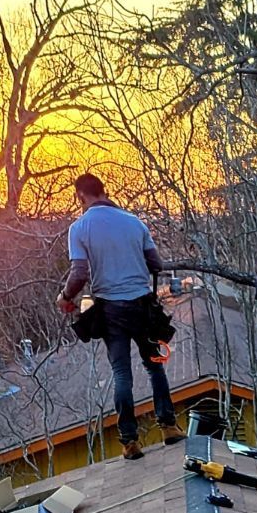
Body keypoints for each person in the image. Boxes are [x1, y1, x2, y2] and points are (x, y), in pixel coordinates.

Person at [57, 173, 174, 459]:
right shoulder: (134, 222)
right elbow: (156, 263)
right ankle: (169, 427)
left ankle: (130, 441)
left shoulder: (79, 228)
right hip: (143, 305)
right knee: (155, 365)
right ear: (103, 190)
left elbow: (80, 272)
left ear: (80, 196)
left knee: (122, 373)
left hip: (111, 308)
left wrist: (65, 297)